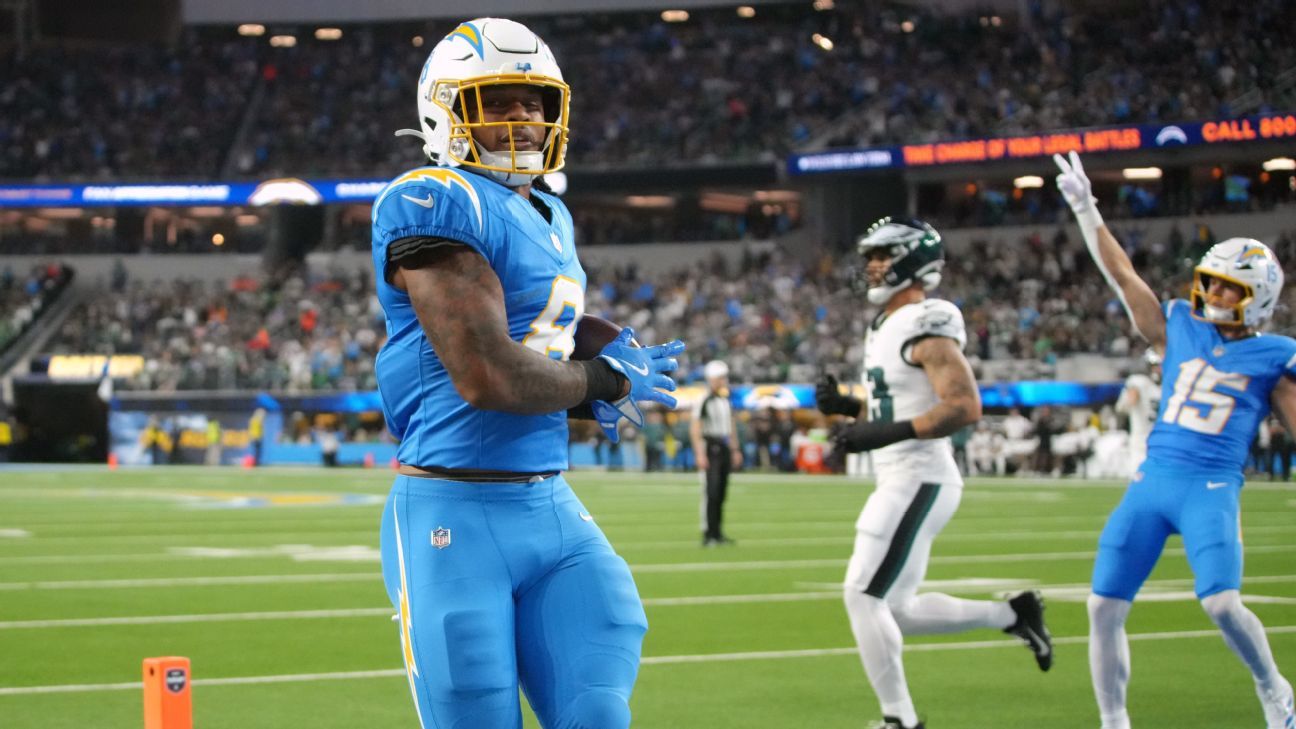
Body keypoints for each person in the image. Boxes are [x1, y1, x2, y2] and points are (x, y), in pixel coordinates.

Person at [370, 18, 685, 729]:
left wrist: (603, 353)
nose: (523, 117)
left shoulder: (550, 210)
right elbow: (487, 374)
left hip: (550, 503)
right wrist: (602, 381)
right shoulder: (431, 196)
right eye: (498, 100)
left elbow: (540, 333)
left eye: (534, 101)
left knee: (597, 711)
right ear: (445, 109)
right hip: (452, 508)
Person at [1055, 150, 1296, 729]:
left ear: (1257, 298)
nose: (1213, 295)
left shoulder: (1275, 355)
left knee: (1222, 602)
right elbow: (1123, 276)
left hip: (1210, 486)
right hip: (1153, 481)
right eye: (1211, 284)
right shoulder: (1178, 327)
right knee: (1101, 606)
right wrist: (1087, 211)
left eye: (1228, 289)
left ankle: (1274, 688)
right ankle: (1114, 721)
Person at [816, 216, 1053, 729]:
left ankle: (900, 721)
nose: (872, 266)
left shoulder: (928, 319)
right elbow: (898, 403)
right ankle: (1014, 613)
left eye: (882, 256)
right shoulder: (885, 324)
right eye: (870, 257)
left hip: (919, 475)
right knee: (895, 609)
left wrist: (882, 433)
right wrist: (849, 407)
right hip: (902, 475)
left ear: (911, 261)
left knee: (862, 594)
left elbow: (964, 406)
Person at [691, 359, 741, 546]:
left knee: (721, 491)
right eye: (721, 377)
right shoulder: (703, 399)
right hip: (710, 446)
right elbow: (695, 428)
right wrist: (699, 454)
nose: (723, 381)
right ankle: (708, 532)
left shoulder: (724, 400)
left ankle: (718, 532)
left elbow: (731, 426)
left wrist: (735, 449)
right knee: (710, 492)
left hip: (724, 446)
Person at [1114, 349, 1162, 475]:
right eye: (1156, 366)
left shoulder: (1167, 385)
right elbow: (1127, 403)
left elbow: (1124, 406)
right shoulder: (1140, 382)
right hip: (1143, 439)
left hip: (1159, 439)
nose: (1158, 369)